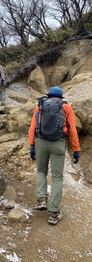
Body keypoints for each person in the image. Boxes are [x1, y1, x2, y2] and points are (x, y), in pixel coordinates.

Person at [28, 86, 81, 225]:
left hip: (40, 141)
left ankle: (41, 199)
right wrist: (76, 149)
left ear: (49, 96)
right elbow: (73, 130)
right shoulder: (66, 108)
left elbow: (33, 127)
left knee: (41, 171)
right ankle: (53, 213)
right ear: (60, 98)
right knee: (57, 177)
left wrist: (32, 145)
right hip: (58, 143)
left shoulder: (40, 106)